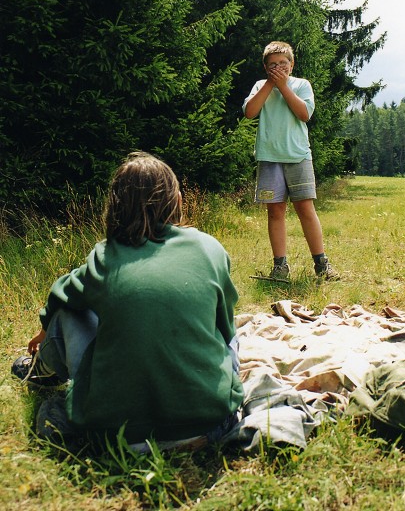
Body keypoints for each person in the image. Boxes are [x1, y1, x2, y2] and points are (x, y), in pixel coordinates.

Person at [12, 151, 243, 450]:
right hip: (210, 423)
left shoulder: (105, 257)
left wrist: (45, 329)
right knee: (232, 338)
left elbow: (61, 295)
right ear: (177, 201)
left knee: (69, 311)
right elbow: (226, 330)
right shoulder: (209, 248)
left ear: (115, 207)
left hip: (117, 434)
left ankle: (42, 369)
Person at [243, 41, 338, 282]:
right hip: (269, 157)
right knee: (275, 211)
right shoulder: (259, 86)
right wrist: (270, 84)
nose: (278, 68)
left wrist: (284, 86)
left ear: (291, 64)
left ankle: (321, 264)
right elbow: (250, 112)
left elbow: (304, 114)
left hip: (298, 156)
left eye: (282, 63)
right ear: (265, 68)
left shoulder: (301, 85)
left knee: (305, 208)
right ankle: (280, 267)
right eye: (272, 64)